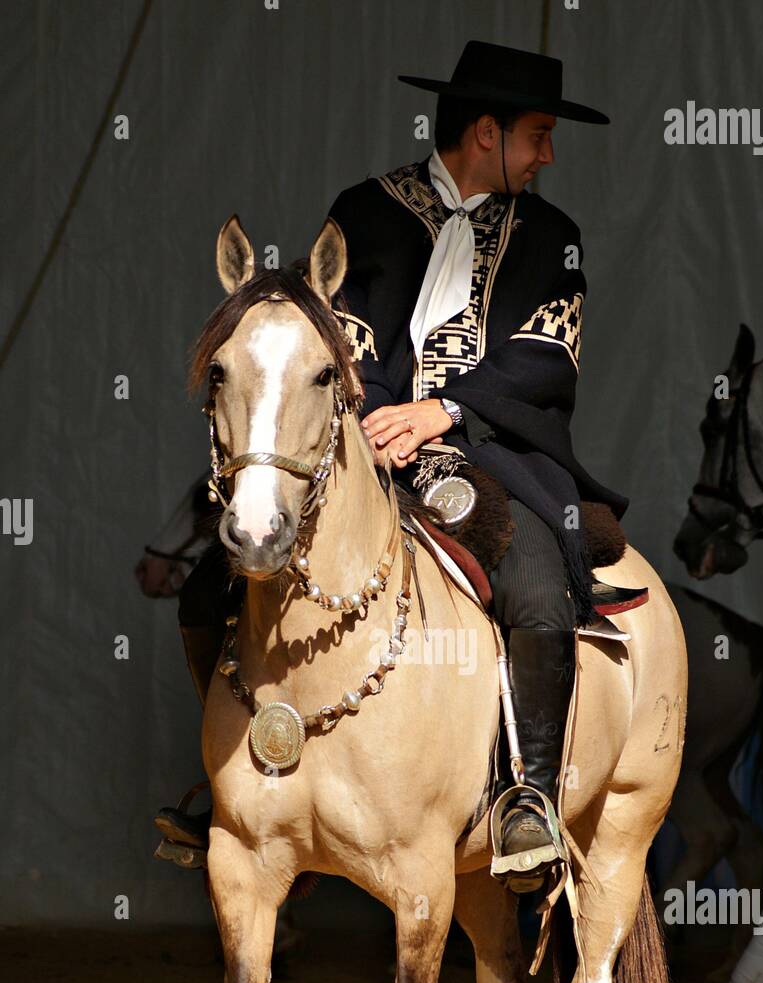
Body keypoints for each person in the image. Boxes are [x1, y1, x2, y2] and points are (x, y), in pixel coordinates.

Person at [156, 40, 634, 890]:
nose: (548, 153)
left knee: (533, 578)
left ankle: (527, 797)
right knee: (209, 585)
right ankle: (229, 783)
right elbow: (334, 337)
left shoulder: (553, 238)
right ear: (485, 133)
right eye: (538, 134)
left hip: (491, 452)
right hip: (362, 447)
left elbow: (544, 360)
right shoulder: (363, 213)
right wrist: (380, 416)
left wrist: (441, 411)